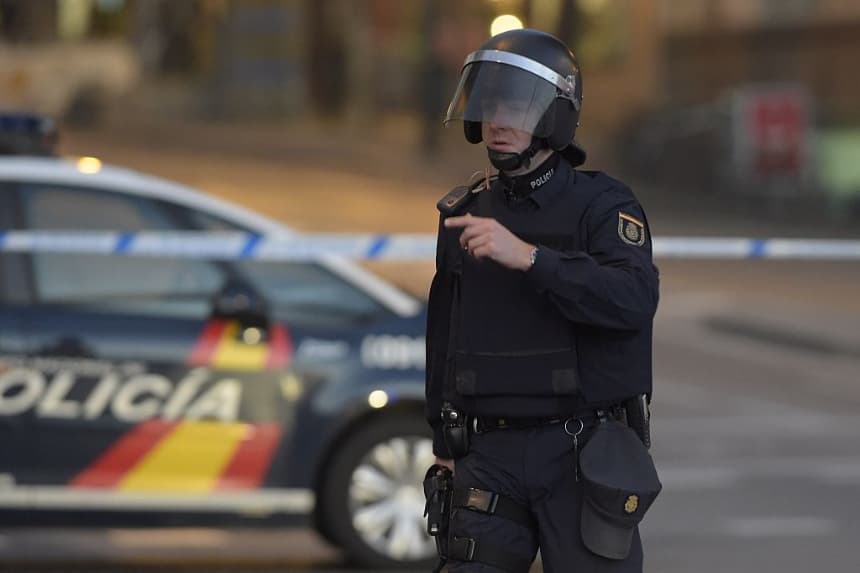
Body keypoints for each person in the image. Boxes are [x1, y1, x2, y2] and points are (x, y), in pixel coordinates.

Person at [424, 28, 660, 572]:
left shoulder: (603, 206)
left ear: (556, 115)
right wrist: (443, 438)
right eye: (489, 105)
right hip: (488, 455)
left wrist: (533, 260)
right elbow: (445, 330)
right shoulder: (466, 209)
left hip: (579, 453)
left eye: (517, 107)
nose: (498, 122)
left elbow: (633, 299)